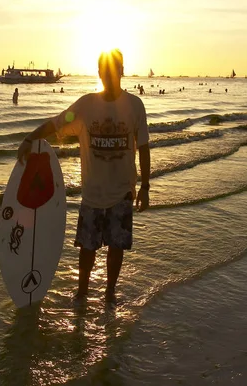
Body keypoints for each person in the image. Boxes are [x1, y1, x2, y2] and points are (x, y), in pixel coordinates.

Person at [17, 49, 150, 305]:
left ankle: (110, 292)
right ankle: (82, 292)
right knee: (87, 248)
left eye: (114, 70)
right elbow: (57, 123)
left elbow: (143, 146)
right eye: (105, 71)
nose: (109, 75)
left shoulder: (135, 105)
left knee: (116, 247)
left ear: (121, 71)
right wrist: (29, 138)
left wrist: (145, 186)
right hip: (92, 192)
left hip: (122, 190)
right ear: (99, 73)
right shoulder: (86, 105)